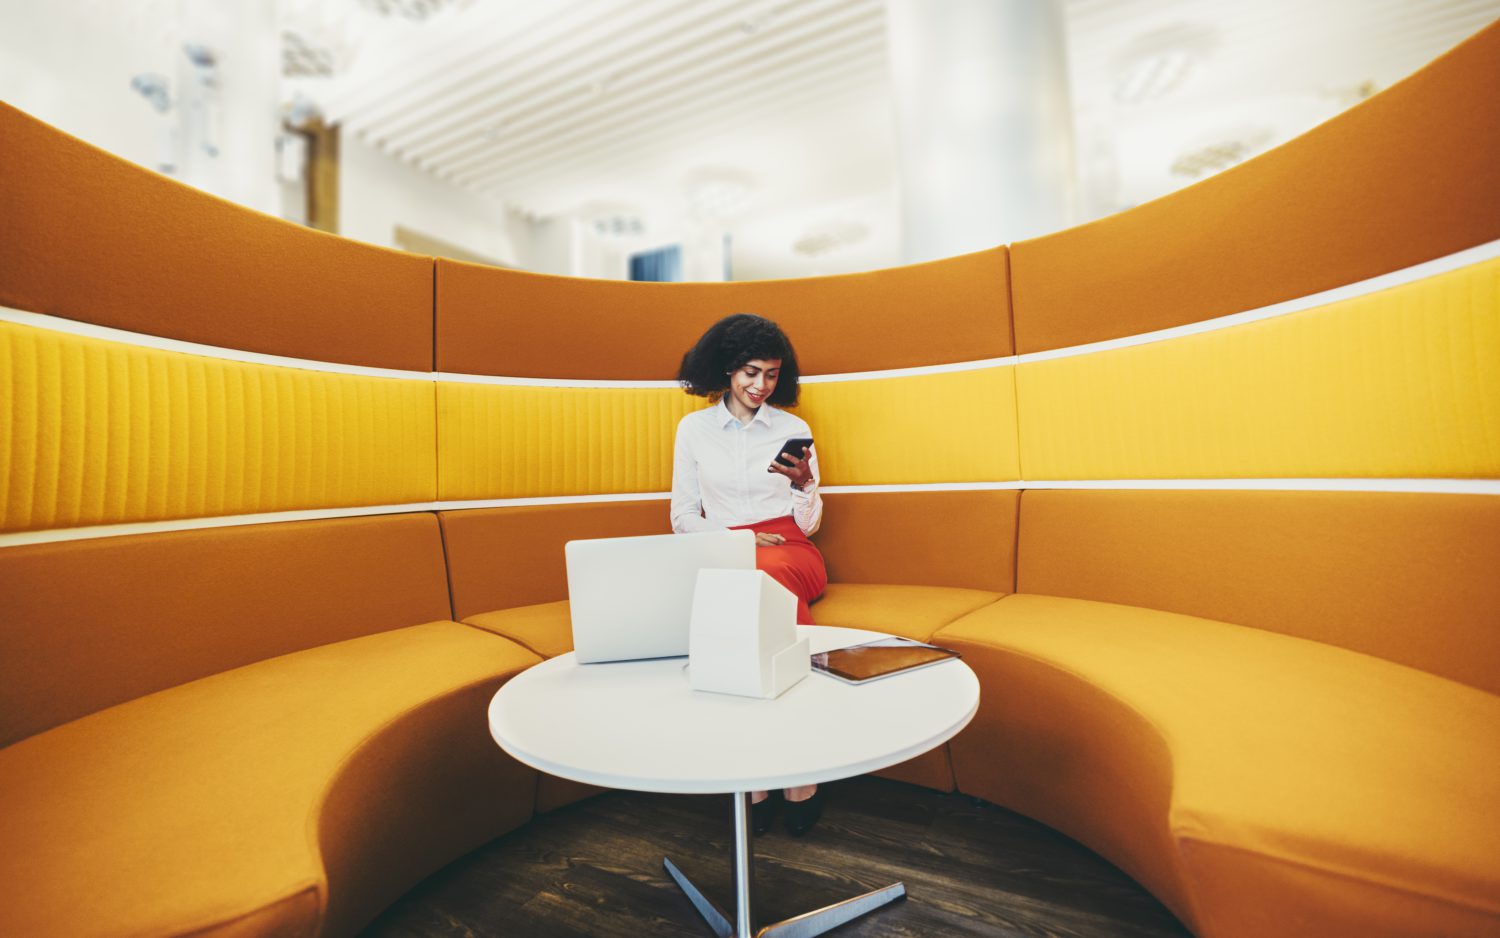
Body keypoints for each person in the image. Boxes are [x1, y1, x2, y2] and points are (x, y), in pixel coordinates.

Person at [672, 312, 826, 836]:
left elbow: (809, 523)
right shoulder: (693, 430)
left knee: (764, 578)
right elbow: (683, 517)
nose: (761, 386)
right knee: (742, 579)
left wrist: (805, 486)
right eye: (750, 372)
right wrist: (735, 539)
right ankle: (770, 771)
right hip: (726, 549)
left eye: (772, 374)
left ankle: (785, 770)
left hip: (790, 546)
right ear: (726, 370)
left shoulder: (793, 430)